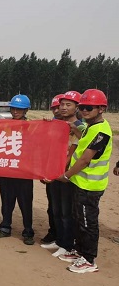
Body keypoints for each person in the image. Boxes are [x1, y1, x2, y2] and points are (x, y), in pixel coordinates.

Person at [54, 89, 113, 273]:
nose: (84, 111)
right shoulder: (90, 126)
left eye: (89, 108)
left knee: (88, 223)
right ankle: (79, 251)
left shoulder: (102, 131)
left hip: (90, 186)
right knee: (79, 219)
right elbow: (83, 141)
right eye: (82, 107)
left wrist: (66, 175)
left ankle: (89, 259)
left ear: (101, 109)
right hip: (81, 183)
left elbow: (85, 159)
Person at [43, 91, 86, 257]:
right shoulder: (57, 124)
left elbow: (75, 150)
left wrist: (62, 173)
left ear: (77, 107)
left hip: (68, 175)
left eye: (68, 105)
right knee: (56, 210)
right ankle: (59, 239)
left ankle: (67, 245)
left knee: (67, 212)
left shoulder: (81, 127)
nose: (63, 108)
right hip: (55, 172)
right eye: (62, 104)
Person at [0, 94, 35, 245]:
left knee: (25, 203)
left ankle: (28, 232)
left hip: (24, 172)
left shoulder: (33, 127)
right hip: (7, 170)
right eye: (13, 109)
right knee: (7, 201)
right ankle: (5, 227)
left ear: (26, 110)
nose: (16, 112)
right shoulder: (6, 125)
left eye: (19, 109)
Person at [41, 94, 65, 245]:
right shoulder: (50, 125)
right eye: (54, 108)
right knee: (53, 206)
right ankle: (53, 233)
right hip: (52, 173)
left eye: (59, 107)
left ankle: (65, 239)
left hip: (69, 175)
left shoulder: (77, 125)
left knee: (66, 210)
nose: (56, 111)